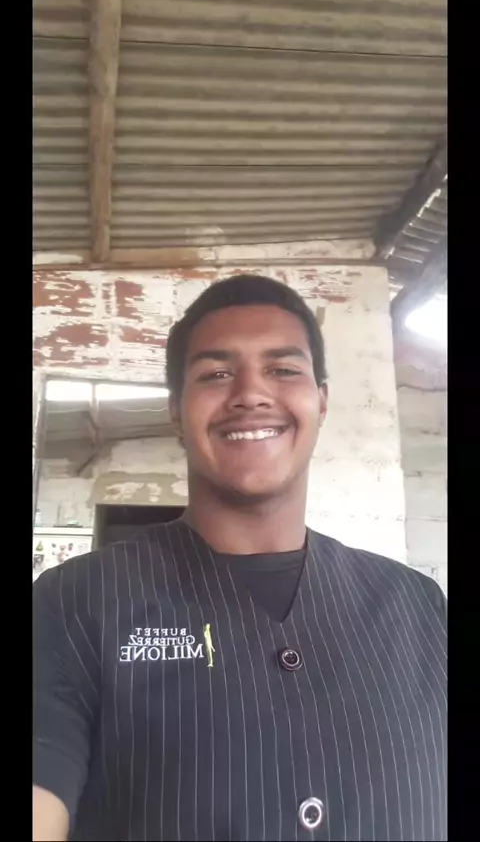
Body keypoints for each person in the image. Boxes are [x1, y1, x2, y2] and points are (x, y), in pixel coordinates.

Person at [33, 275, 447, 842]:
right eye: (216, 374)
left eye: (283, 369)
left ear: (321, 401)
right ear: (176, 410)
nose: (251, 393)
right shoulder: (72, 604)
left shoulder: (418, 608)